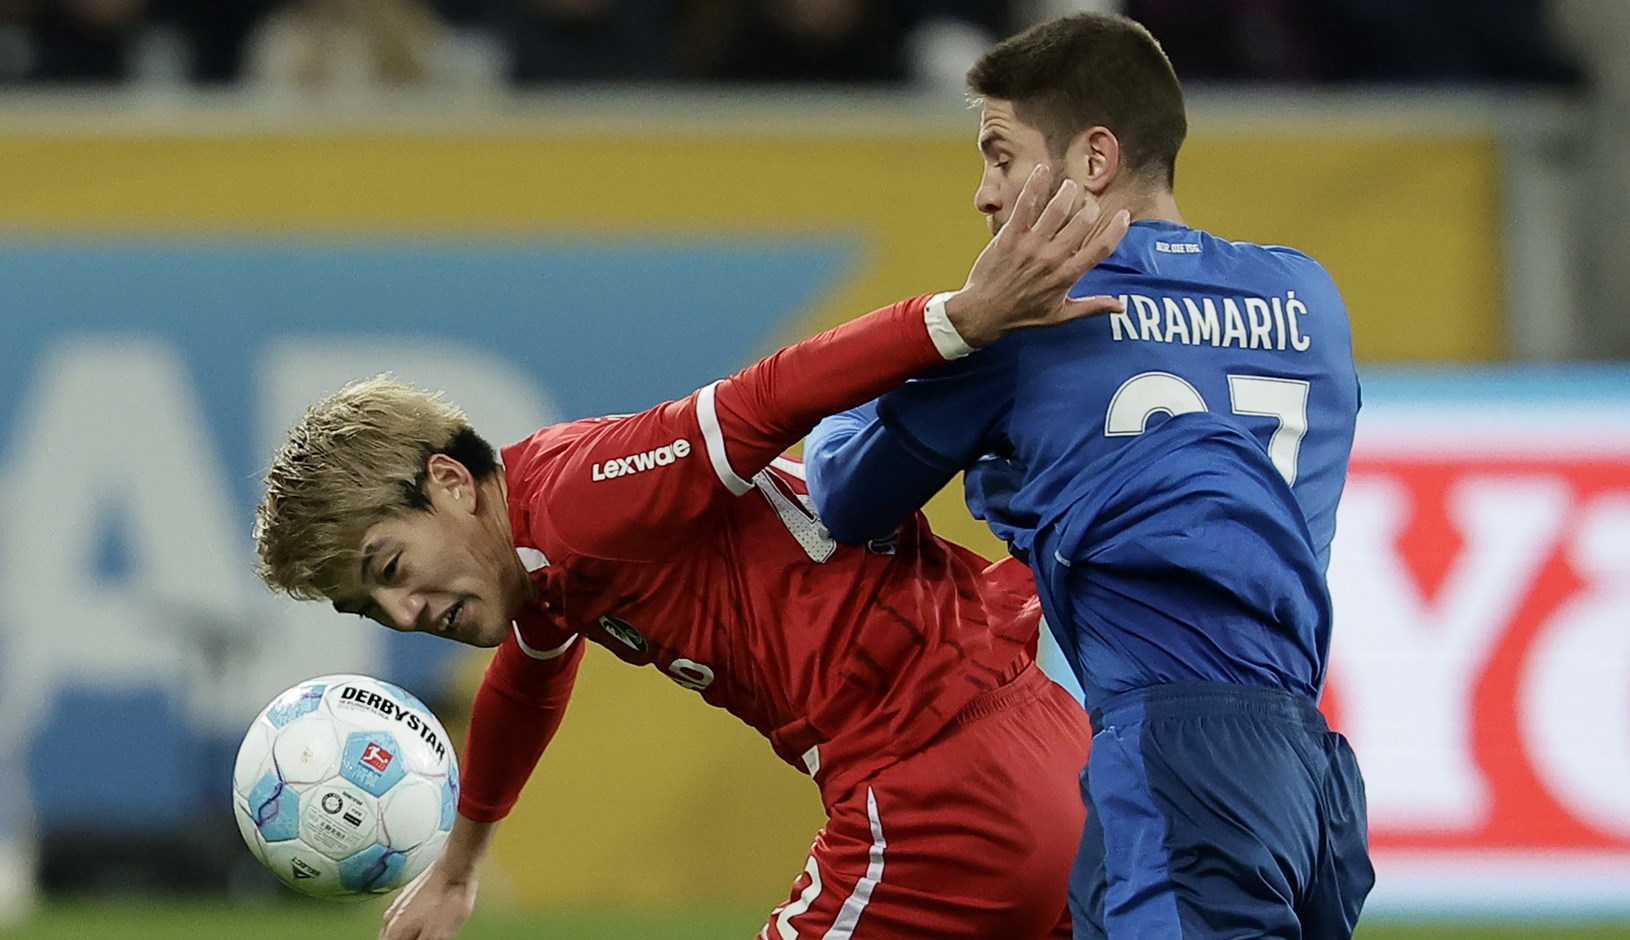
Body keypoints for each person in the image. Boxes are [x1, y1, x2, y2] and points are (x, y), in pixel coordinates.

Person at [253, 171, 1131, 940]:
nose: (405, 614)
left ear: (450, 481)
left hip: (936, 785)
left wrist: (961, 318)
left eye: (390, 569)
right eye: (371, 606)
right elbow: (528, 675)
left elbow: (765, 399)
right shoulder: (538, 556)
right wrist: (459, 865)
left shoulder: (581, 499)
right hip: (1049, 749)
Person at [803, 12, 1374, 939]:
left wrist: (957, 329)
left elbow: (843, 491)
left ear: (1094, 159)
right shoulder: (1308, 297)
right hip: (1310, 774)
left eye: (1001, 156)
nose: (984, 195)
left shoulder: (1033, 323)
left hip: (1174, 753)